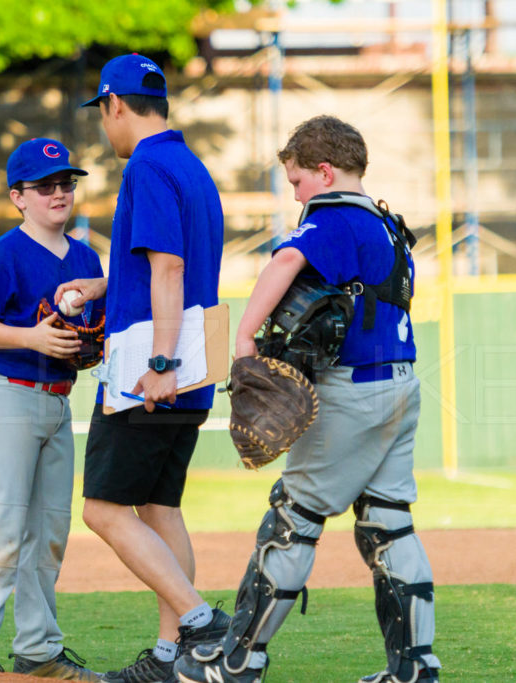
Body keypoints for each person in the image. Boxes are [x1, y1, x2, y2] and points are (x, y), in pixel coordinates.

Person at [174, 115, 442, 683]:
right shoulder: (388, 223)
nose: (295, 192)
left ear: (324, 171)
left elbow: (285, 261)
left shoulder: (335, 215)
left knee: (292, 518)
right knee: (388, 522)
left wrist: (245, 338)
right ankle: (415, 668)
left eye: (296, 180)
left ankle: (238, 662)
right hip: (400, 383)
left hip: (353, 390)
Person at [56, 53, 227, 683]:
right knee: (160, 509)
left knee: (102, 508)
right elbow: (173, 266)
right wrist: (105, 287)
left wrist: (159, 362)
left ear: (115, 105)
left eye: (102, 111)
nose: (105, 123)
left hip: (153, 368)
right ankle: (171, 655)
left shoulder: (148, 167)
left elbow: (170, 270)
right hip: (193, 362)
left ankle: (202, 625)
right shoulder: (191, 165)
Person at [0, 138, 104, 681]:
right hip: (6, 393)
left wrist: (90, 330)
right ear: (19, 197)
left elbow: (92, 327)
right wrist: (32, 339)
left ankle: (38, 650)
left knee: (50, 530)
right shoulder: (4, 254)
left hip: (57, 403)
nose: (59, 192)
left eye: (66, 183)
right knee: (5, 522)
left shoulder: (86, 258)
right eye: (45, 186)